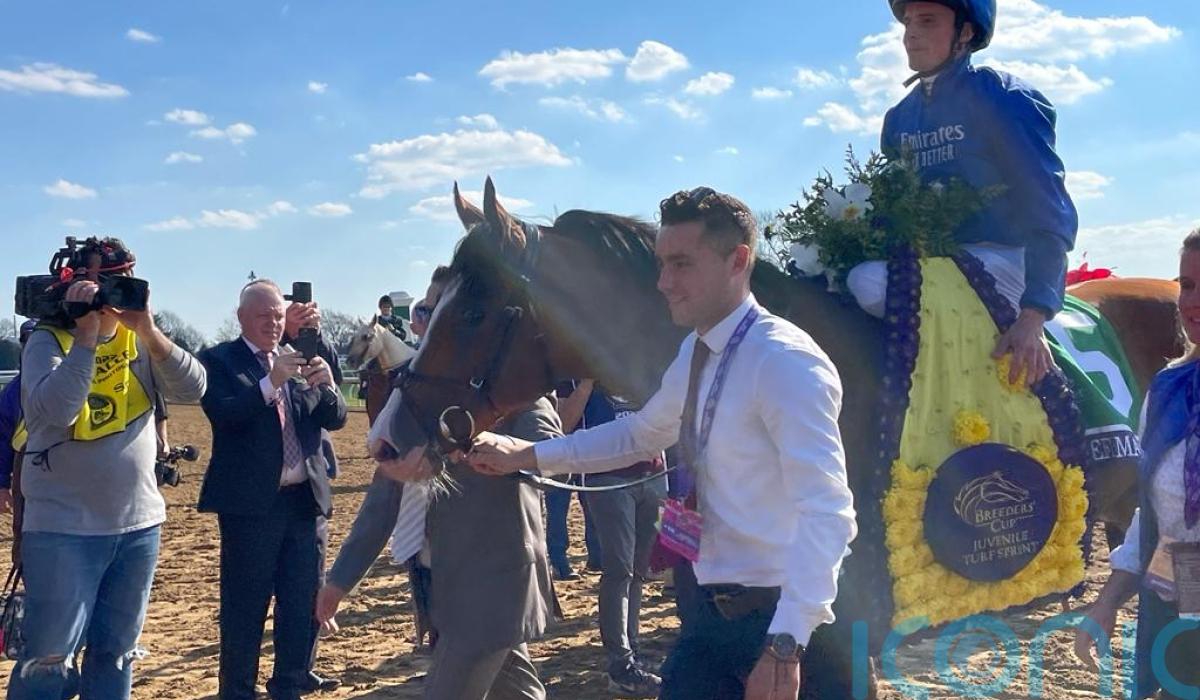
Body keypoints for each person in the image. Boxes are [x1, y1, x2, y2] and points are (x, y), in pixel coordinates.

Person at [468, 188, 857, 700]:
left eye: (682, 264)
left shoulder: (784, 361)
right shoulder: (698, 350)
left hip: (789, 627)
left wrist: (786, 645)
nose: (664, 283)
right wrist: (527, 454)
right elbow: (642, 433)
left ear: (738, 261)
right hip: (710, 616)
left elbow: (829, 513)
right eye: (662, 264)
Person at [7, 238, 207, 700]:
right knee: (48, 661)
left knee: (117, 654)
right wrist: (86, 338)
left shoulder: (139, 339)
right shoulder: (47, 340)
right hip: (63, 529)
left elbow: (193, 388)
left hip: (137, 527)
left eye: (119, 284)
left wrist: (149, 330)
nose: (109, 295)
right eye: (100, 285)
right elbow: (57, 409)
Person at [847, 0, 1077, 387]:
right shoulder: (899, 119)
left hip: (1007, 258)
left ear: (965, 32)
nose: (911, 33)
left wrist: (1035, 312)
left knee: (868, 282)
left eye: (927, 21)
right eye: (908, 22)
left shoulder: (1006, 98)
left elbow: (1047, 206)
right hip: (935, 263)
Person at [319, 399, 560, 700]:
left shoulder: (518, 396)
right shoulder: (416, 400)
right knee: (517, 691)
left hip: (496, 585)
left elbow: (554, 461)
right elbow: (383, 500)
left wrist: (495, 446)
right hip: (436, 582)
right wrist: (340, 581)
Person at [197, 279, 347, 700]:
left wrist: (328, 385)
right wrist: (271, 382)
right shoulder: (219, 360)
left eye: (278, 316)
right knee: (245, 607)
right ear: (241, 317)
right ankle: (237, 691)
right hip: (251, 508)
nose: (273, 323)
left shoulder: (300, 357)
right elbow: (225, 415)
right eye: (263, 315)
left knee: (302, 604)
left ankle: (290, 684)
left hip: (304, 504)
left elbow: (335, 419)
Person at [1074, 229, 1200, 699]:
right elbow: (1154, 517)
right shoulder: (1168, 389)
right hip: (1178, 605)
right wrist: (1107, 602)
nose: (1193, 301)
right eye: (1187, 285)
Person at [564, 379, 667, 696]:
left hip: (652, 473)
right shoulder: (577, 372)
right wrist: (585, 384)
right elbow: (562, 424)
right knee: (619, 571)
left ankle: (631, 653)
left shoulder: (636, 365)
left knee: (638, 571)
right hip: (607, 478)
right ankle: (620, 664)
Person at [545, 380, 603, 580]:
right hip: (564, 450)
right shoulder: (565, 379)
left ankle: (597, 557)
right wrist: (586, 383)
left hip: (592, 451)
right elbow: (564, 424)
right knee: (557, 508)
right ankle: (559, 562)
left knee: (594, 505)